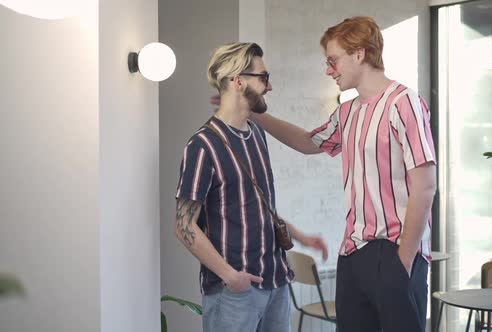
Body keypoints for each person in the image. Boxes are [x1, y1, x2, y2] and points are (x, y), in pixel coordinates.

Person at [248, 16, 437, 332]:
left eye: (333, 60)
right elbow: (309, 142)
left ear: (360, 54)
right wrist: (255, 116)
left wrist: (403, 259)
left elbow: (426, 186)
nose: (328, 70)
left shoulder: (404, 103)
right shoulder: (347, 112)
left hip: (395, 252)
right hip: (352, 254)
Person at [175, 42, 328, 332]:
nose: (269, 86)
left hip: (277, 283)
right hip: (234, 293)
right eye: (263, 77)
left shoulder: (256, 134)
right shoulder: (202, 145)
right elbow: (184, 226)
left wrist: (301, 236)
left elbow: (254, 207)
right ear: (237, 80)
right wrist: (231, 277)